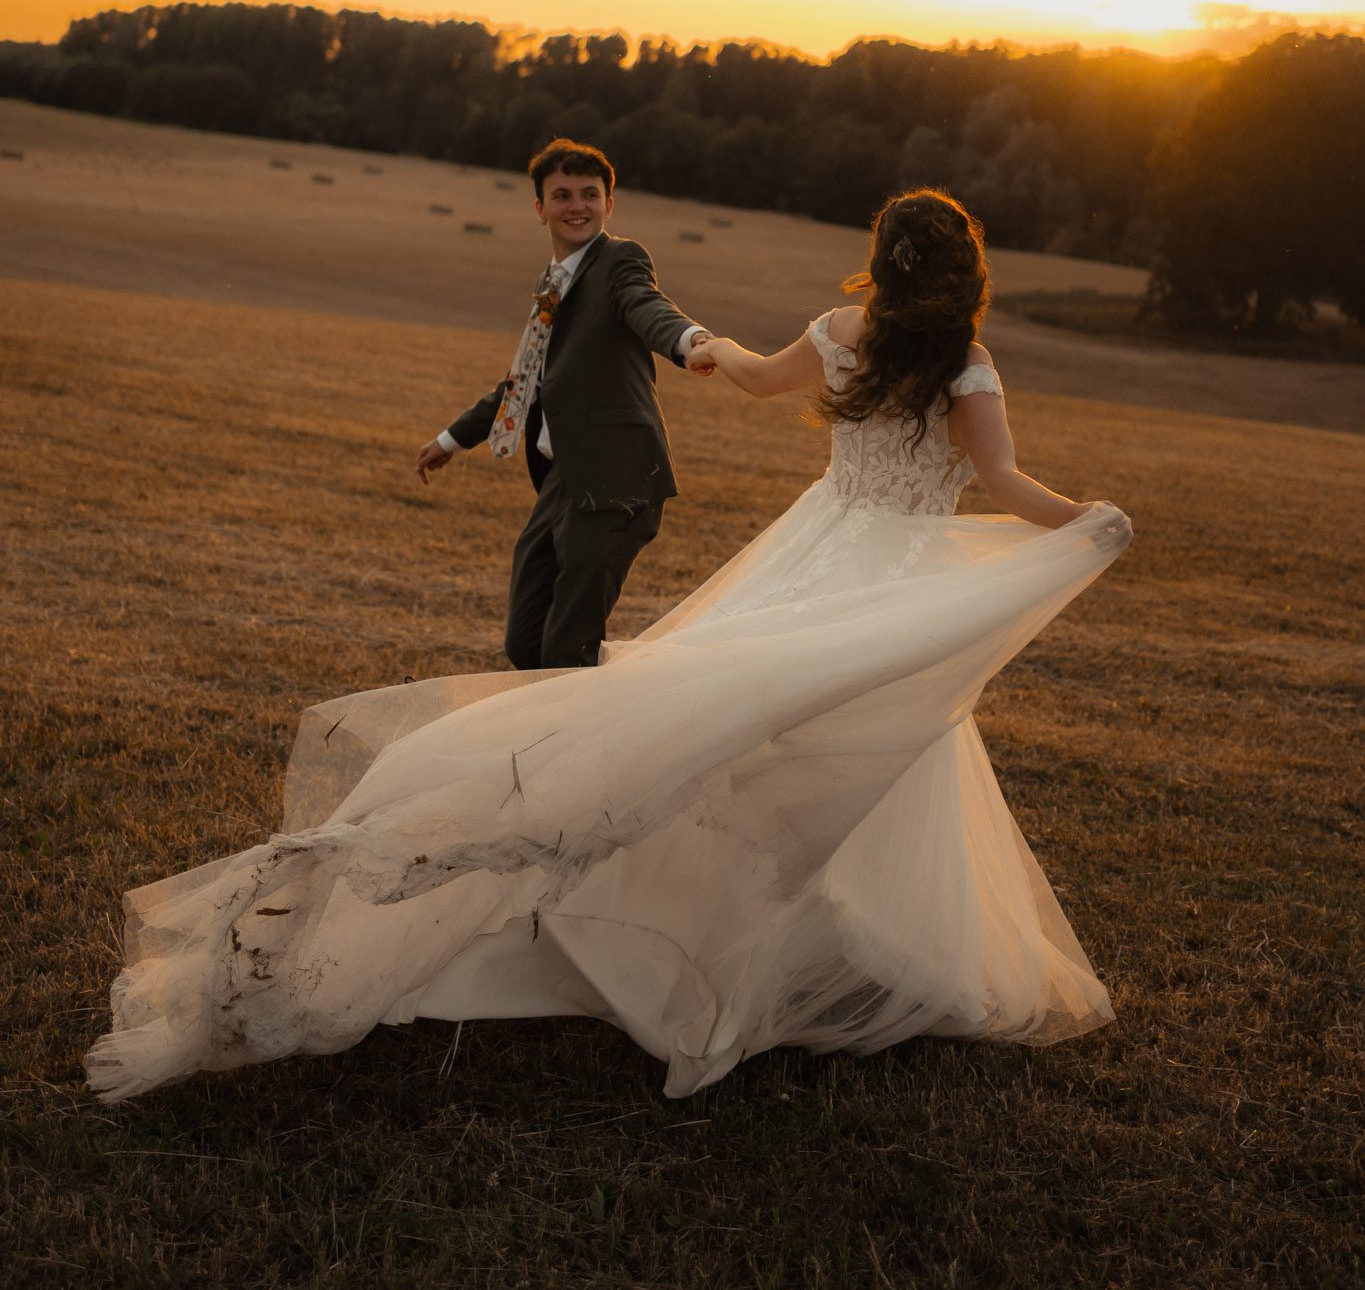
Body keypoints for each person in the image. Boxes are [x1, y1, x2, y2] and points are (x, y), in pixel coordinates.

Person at [87, 188, 1132, 1104]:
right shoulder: (968, 362)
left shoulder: (841, 327)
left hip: (814, 552)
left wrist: (704, 344)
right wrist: (1084, 516)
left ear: (883, 253)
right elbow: (1001, 482)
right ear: (968, 268)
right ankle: (813, 945)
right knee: (876, 742)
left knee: (734, 732)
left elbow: (759, 379)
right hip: (892, 579)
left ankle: (791, 933)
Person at [414, 138, 713, 670]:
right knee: (525, 643)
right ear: (540, 209)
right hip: (564, 477)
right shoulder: (551, 283)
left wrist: (689, 341)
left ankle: (568, 749)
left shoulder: (620, 260)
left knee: (566, 649)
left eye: (590, 194)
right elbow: (527, 380)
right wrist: (452, 439)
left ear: (609, 204)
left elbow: (647, 306)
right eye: (562, 195)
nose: (577, 205)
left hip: (615, 479)